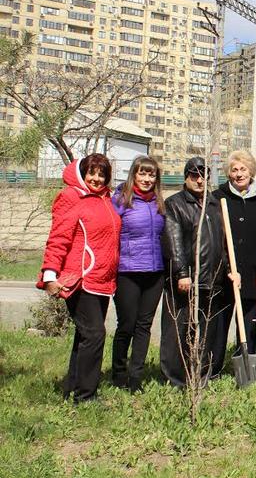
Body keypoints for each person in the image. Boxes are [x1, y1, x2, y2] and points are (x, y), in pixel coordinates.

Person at [37, 154, 121, 403]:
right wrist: (50, 275)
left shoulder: (105, 199)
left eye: (101, 174)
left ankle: (72, 387)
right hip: (81, 278)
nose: (96, 178)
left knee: (85, 336)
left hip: (102, 281)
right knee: (94, 335)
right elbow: (58, 238)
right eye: (92, 173)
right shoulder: (71, 197)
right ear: (82, 174)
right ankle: (86, 396)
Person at [160, 157, 229, 386]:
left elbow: (222, 241)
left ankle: (200, 375)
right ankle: (176, 378)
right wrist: (182, 273)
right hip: (187, 279)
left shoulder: (214, 203)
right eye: (194, 176)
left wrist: (228, 270)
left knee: (206, 330)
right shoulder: (176, 204)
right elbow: (174, 241)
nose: (199, 180)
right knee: (178, 331)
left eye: (203, 176)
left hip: (212, 279)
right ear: (186, 177)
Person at [110, 156, 166, 393]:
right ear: (134, 174)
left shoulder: (160, 204)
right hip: (128, 271)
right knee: (127, 325)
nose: (147, 179)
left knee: (144, 326)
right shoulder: (121, 201)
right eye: (142, 174)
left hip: (154, 273)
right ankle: (119, 373)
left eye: (151, 175)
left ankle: (135, 378)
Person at [213, 150, 256, 360]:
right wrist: (228, 269)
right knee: (219, 326)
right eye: (234, 170)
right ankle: (213, 368)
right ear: (228, 174)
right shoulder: (218, 199)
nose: (239, 174)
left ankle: (244, 363)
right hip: (223, 276)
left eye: (243, 169)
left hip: (252, 275)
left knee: (247, 327)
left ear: (251, 172)